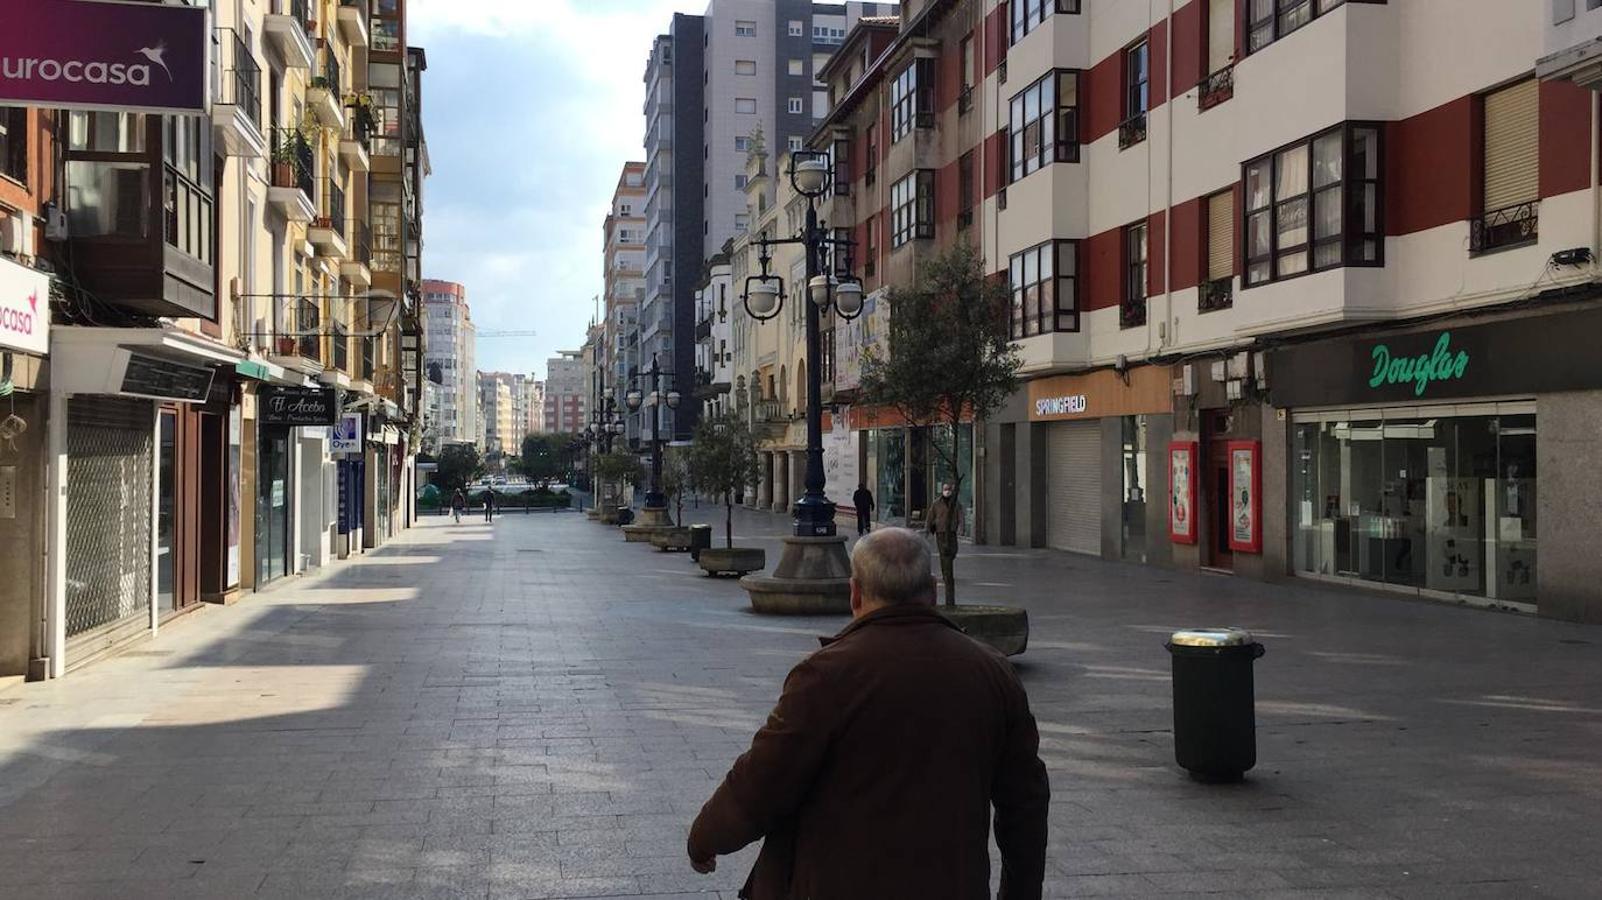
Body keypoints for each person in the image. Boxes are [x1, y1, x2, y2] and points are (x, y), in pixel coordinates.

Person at [687, 528, 1049, 899]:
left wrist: (706, 836)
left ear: (855, 592)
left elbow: (763, 780)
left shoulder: (826, 676)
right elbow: (1025, 801)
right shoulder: (992, 672)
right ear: (933, 590)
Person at [927, 481, 964, 605]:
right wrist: (928, 529)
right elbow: (930, 516)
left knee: (953, 551)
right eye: (945, 489)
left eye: (949, 489)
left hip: (952, 531)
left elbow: (961, 516)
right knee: (943, 554)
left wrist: (961, 528)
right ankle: (946, 574)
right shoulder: (937, 503)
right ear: (942, 490)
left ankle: (948, 568)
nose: (947, 491)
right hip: (941, 531)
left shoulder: (955, 503)